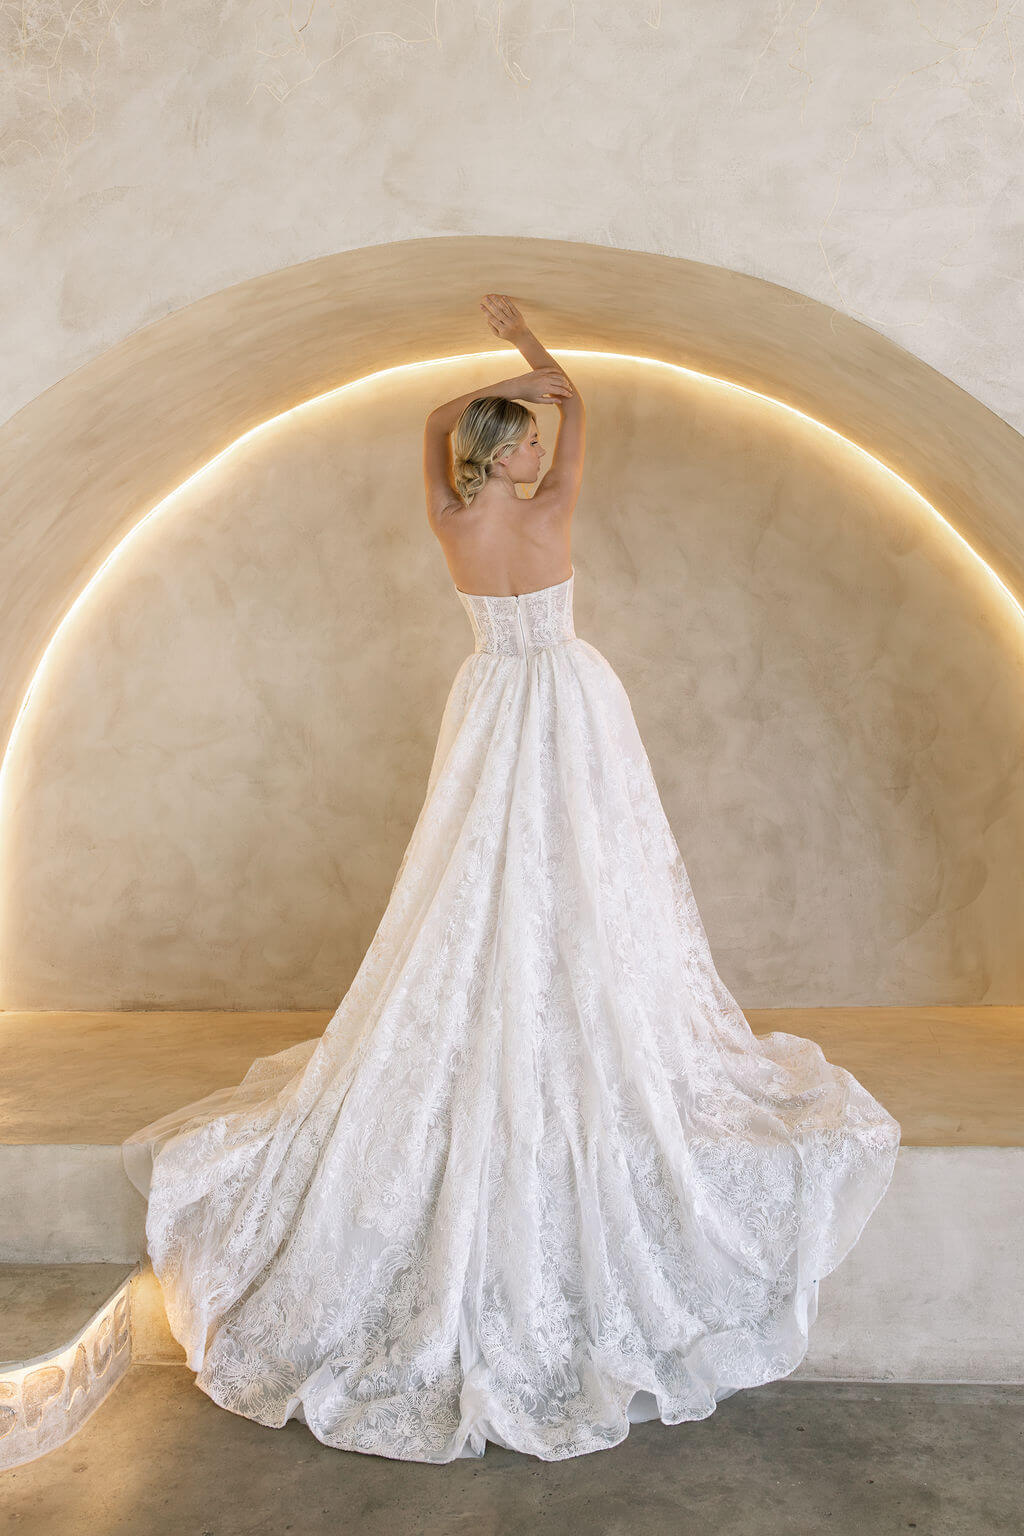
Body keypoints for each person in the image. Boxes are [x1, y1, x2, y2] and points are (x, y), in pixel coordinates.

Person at [122, 295, 900, 1465]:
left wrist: (481, 403)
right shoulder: (549, 506)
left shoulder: (450, 512)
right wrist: (533, 358)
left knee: (484, 869)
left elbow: (439, 424)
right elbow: (580, 405)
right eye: (524, 442)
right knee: (582, 864)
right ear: (514, 452)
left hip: (490, 698)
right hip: (570, 699)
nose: (538, 450)